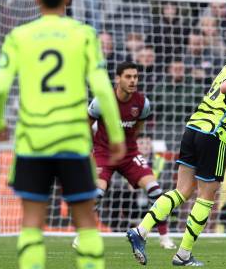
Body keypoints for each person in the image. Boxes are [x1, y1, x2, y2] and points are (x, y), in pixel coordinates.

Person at [0, 0, 125, 269]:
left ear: (36, 0)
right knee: (85, 223)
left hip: (33, 141)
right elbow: (101, 85)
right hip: (72, 141)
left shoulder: (20, 36)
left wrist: (0, 124)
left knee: (32, 223)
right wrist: (116, 135)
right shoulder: (84, 35)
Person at [127, 29, 226, 267]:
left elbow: (219, 101)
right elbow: (225, 89)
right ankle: (183, 254)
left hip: (193, 129)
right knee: (206, 196)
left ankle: (140, 231)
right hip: (212, 136)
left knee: (182, 191)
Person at [75, 62, 175, 250]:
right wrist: (90, 150)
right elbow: (85, 124)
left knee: (155, 190)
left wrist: (130, 146)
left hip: (129, 154)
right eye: (128, 77)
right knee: (96, 193)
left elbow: (138, 128)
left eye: (135, 77)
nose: (133, 80)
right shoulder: (102, 101)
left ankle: (164, 238)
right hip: (104, 153)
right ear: (118, 79)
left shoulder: (143, 103)